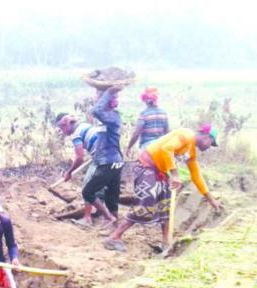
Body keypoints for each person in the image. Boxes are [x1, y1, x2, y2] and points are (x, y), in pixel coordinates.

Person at [104, 124, 224, 252]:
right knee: (146, 200)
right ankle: (114, 238)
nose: (208, 147)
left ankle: (166, 243)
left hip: (159, 171)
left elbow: (196, 176)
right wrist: (174, 174)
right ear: (207, 137)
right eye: (211, 144)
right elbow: (167, 148)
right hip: (146, 166)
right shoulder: (186, 135)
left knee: (165, 204)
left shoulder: (191, 150)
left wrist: (211, 200)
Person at [55, 85, 125, 229]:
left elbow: (95, 110)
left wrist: (109, 91)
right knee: (111, 195)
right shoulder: (105, 119)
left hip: (108, 161)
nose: (62, 131)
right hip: (112, 160)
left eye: (62, 128)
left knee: (88, 191)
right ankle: (114, 227)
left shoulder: (110, 116)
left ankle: (105, 218)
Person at [125, 87, 170, 159]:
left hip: (147, 147)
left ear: (145, 100)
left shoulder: (144, 114)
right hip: (161, 147)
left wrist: (129, 147)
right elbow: (167, 133)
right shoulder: (163, 113)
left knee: (147, 169)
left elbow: (137, 133)